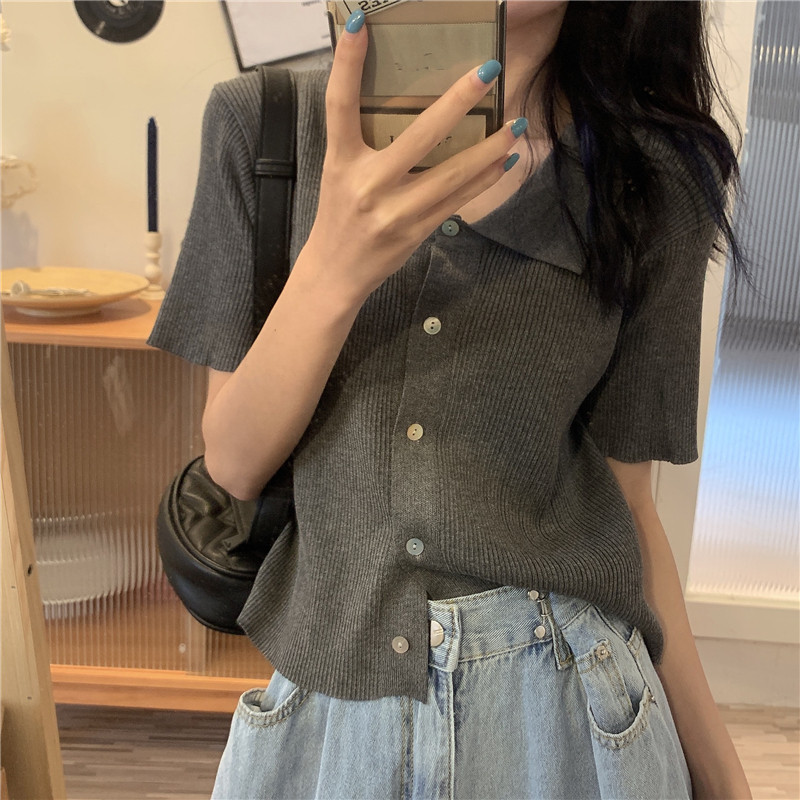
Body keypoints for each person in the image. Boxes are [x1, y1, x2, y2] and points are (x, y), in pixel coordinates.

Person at [148, 2, 755, 798]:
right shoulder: (265, 128)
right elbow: (232, 463)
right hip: (331, 716)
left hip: (569, 715)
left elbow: (631, 505)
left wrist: (723, 777)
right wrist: (334, 264)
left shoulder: (652, 176)